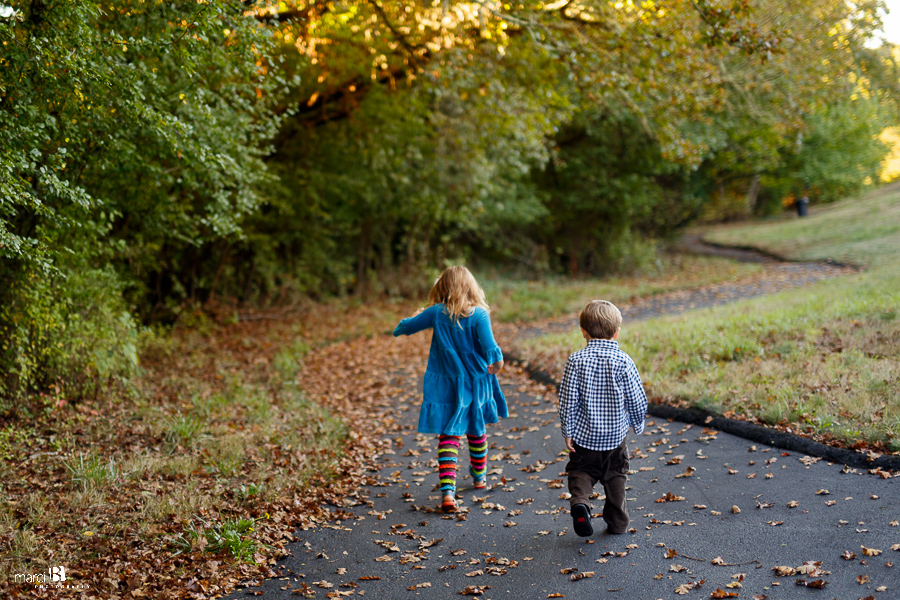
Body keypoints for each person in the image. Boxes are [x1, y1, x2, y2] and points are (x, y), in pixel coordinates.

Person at [393, 266, 507, 513]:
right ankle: (479, 478)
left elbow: (406, 327)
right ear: (471, 287)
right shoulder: (479, 315)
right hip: (476, 382)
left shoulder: (435, 313)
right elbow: (490, 348)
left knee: (449, 434)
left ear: (442, 288)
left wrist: (402, 325)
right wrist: (497, 365)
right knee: (476, 430)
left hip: (445, 383)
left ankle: (447, 493)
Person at [558, 300, 647, 536]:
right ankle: (618, 523)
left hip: (584, 440)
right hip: (615, 440)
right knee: (616, 477)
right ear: (617, 332)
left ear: (583, 332)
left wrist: (568, 431)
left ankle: (580, 503)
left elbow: (567, 400)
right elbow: (636, 397)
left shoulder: (575, 361)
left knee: (580, 474)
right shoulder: (623, 361)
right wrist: (638, 422)